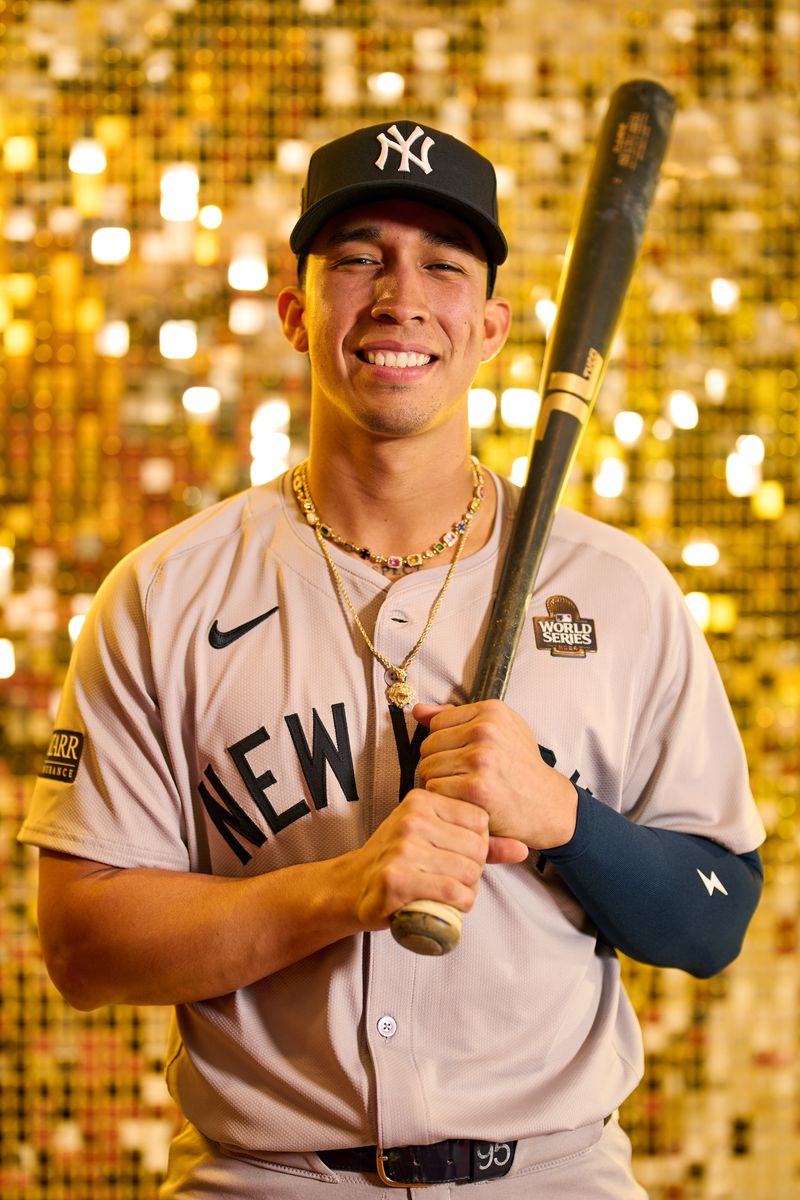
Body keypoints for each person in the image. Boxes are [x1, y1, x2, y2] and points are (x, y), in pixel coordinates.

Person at [20, 119, 765, 1198]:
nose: (399, 296)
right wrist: (342, 891)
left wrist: (562, 819)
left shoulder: (616, 588)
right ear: (295, 311)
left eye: (442, 265)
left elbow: (712, 918)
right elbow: (84, 951)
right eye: (358, 257)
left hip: (550, 1177)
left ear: (492, 327)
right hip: (263, 1178)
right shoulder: (164, 591)